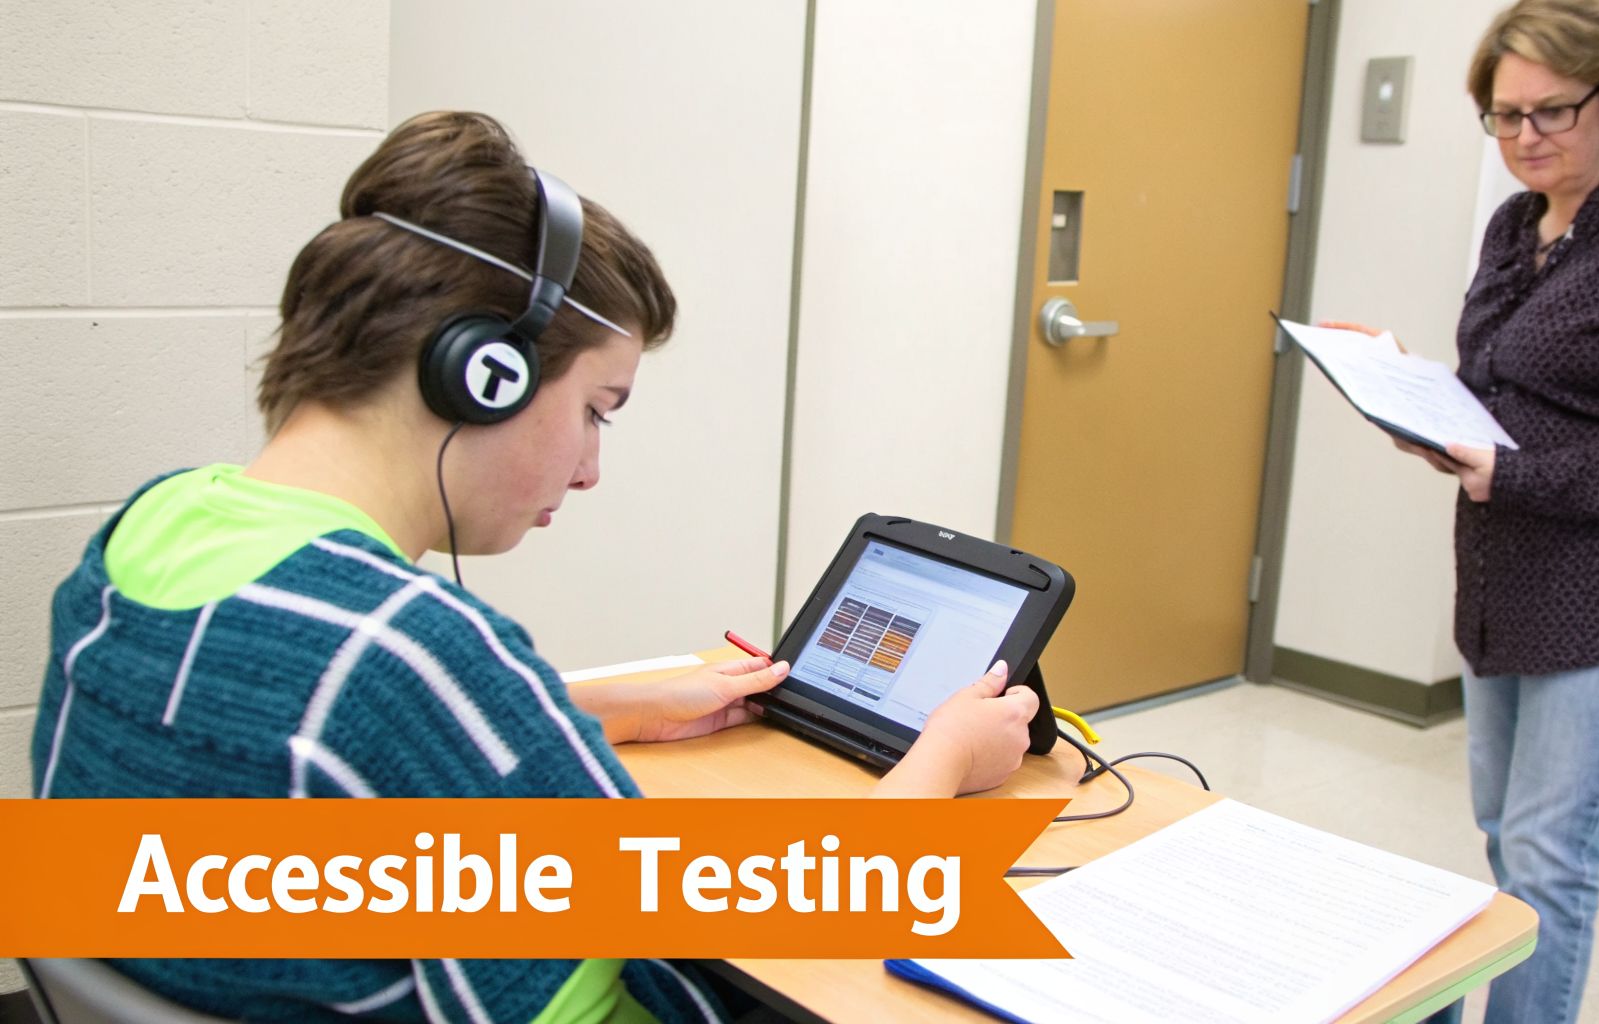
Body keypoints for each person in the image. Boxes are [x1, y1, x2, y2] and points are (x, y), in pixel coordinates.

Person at [30, 111, 1040, 1024]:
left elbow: (319, 740)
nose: (591, 467)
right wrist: (943, 757)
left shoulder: (149, 528)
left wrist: (600, 706)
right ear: (483, 372)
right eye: (596, 408)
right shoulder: (413, 653)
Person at [1332, 2, 1599, 1021]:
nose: (1521, 136)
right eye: (1501, 115)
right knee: (1501, 832)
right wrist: (1415, 404)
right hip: (1508, 577)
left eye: (1547, 113)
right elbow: (1507, 396)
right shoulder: (1517, 224)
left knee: (1546, 856)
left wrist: (1510, 473)